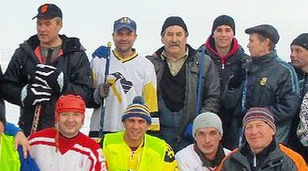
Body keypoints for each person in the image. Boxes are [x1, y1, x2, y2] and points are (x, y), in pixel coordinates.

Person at [2, 3, 92, 135]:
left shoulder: (75, 54)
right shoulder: (24, 52)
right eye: (39, 24)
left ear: (59, 25)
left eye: (47, 24)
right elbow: (6, 86)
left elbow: (87, 94)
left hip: (64, 132)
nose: (42, 29)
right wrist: (23, 94)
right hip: (30, 130)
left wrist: (62, 84)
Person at [146, 16, 220, 152]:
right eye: (169, 34)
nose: (174, 39)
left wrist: (200, 124)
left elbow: (213, 98)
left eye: (179, 34)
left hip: (190, 138)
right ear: (162, 38)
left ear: (186, 37)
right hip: (156, 137)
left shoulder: (204, 63)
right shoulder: (149, 64)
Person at [222, 24, 299, 145]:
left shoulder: (284, 71)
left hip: (272, 144)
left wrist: (256, 117)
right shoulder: (245, 68)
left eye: (251, 41)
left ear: (265, 42)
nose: (248, 45)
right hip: (241, 141)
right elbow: (228, 104)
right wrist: (232, 86)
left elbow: (289, 108)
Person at [89, 17, 159, 137]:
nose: (124, 38)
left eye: (128, 34)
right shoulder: (98, 61)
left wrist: (151, 135)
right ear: (113, 35)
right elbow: (87, 97)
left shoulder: (146, 66)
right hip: (100, 132)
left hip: (131, 134)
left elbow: (150, 105)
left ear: (135, 36)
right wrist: (97, 94)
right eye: (120, 34)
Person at [198, 15, 247, 148]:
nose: (223, 35)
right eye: (219, 30)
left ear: (233, 34)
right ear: (213, 33)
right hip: (205, 117)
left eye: (228, 30)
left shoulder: (245, 61)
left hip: (234, 123)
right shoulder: (198, 58)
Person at [288, 34, 308, 160]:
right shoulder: (287, 74)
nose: (292, 54)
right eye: (291, 50)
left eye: (298, 51)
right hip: (290, 139)